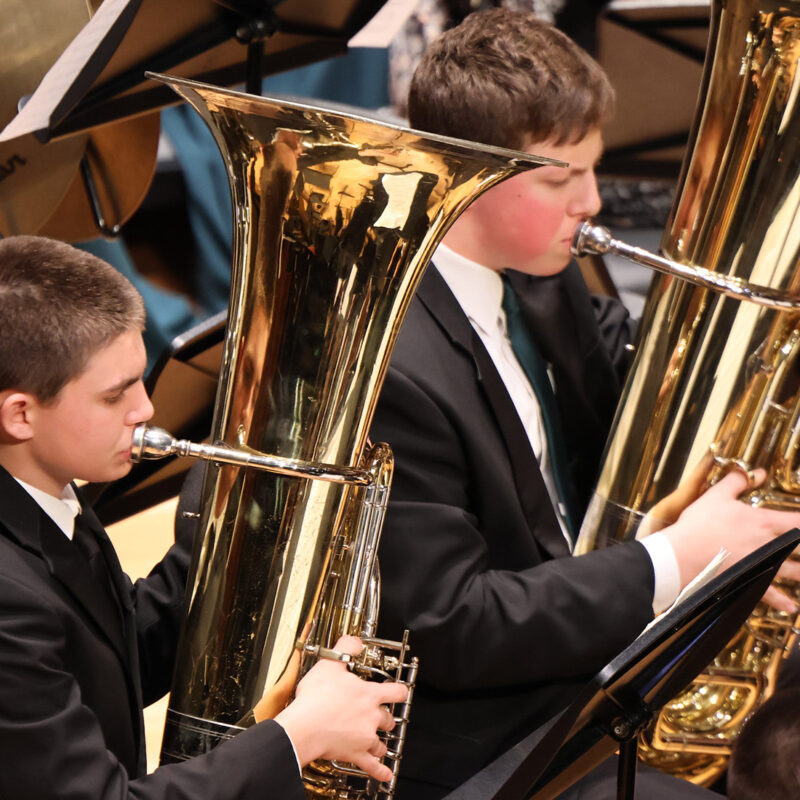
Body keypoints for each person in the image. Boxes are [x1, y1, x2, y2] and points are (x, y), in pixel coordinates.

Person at [368, 8, 800, 799]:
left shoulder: (539, 274)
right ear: (465, 174)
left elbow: (631, 379)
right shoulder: (397, 369)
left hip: (591, 650)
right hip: (489, 744)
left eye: (592, 170)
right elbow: (451, 626)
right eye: (561, 179)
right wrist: (675, 558)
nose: (592, 201)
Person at [0, 234, 407, 799]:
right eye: (115, 396)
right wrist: (298, 736)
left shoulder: (46, 491)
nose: (146, 409)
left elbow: (112, 655)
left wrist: (233, 524)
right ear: (20, 415)